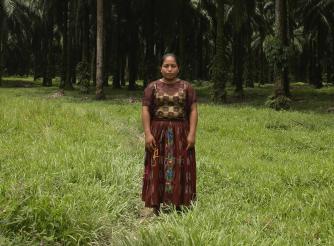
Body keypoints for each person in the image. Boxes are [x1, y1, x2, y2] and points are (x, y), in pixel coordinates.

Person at [141, 53, 198, 215]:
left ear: (178, 67)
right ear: (161, 68)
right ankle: (156, 204)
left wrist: (192, 134)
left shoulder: (187, 88)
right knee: (156, 165)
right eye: (166, 65)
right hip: (157, 132)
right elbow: (145, 109)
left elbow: (193, 110)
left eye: (173, 65)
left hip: (181, 132)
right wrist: (147, 134)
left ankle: (180, 203)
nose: (170, 69)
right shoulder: (152, 87)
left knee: (182, 165)